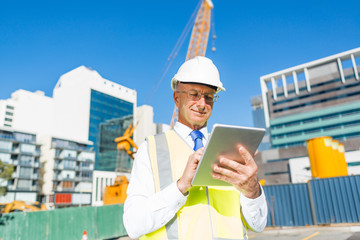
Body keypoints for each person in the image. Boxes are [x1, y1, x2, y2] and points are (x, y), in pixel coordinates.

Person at [123, 56, 267, 240]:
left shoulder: (231, 149)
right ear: (177, 98)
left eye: (209, 97)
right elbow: (133, 225)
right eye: (193, 94)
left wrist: (252, 190)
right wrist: (181, 186)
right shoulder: (150, 148)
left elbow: (259, 224)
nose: (202, 104)